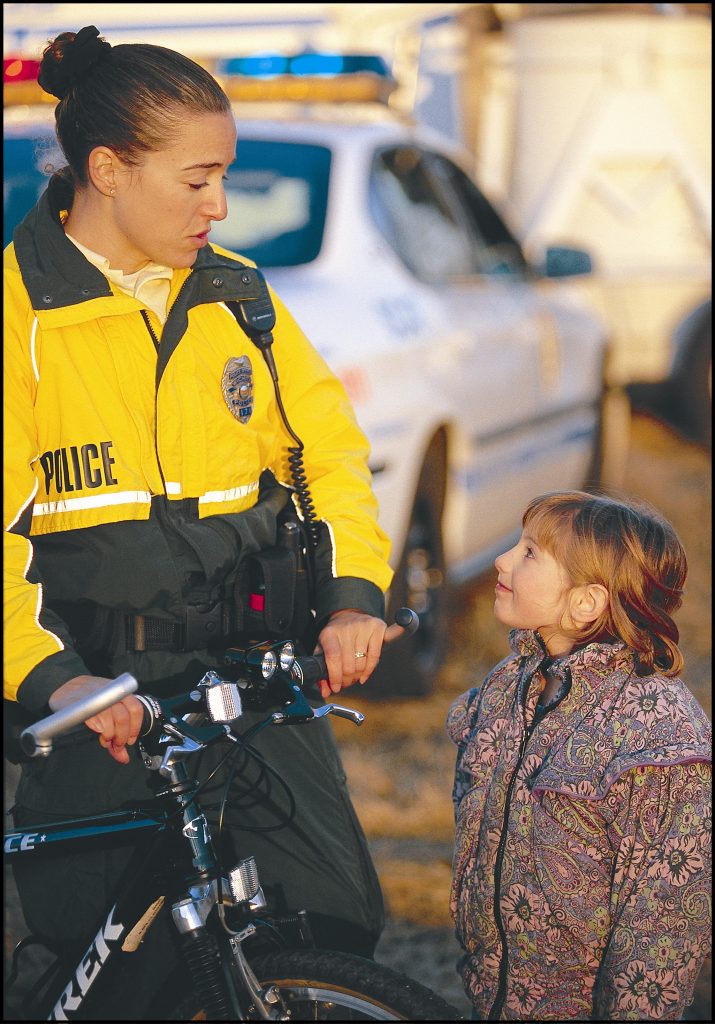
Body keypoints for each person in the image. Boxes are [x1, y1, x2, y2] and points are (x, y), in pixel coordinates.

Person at [4, 24, 402, 999]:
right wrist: (53, 683)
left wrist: (354, 596)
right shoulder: (21, 320)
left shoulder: (239, 296)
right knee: (116, 973)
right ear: (107, 168)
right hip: (103, 700)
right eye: (197, 178)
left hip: (250, 682)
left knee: (327, 925)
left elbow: (331, 453)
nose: (219, 204)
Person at [447, 490, 712, 1021]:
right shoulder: (510, 684)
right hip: (496, 999)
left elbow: (663, 926)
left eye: (529, 554)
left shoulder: (657, 739)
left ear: (586, 602)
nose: (502, 559)